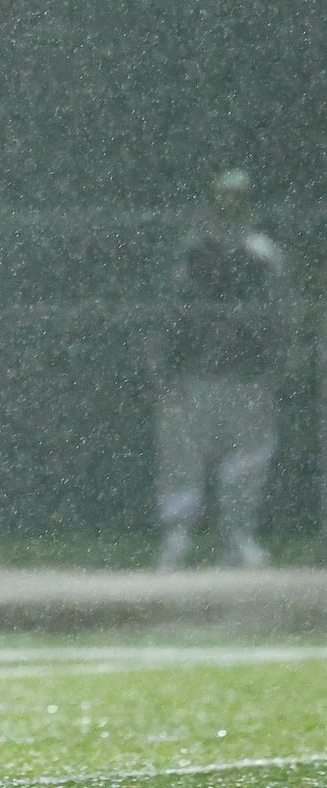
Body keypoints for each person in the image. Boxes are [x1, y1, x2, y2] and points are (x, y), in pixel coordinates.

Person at [153, 168, 290, 570]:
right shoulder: (189, 252)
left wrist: (280, 357)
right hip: (192, 371)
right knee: (181, 458)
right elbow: (167, 313)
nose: (229, 203)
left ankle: (238, 536)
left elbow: (281, 312)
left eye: (238, 196)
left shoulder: (264, 255)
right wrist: (162, 363)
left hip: (247, 372)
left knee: (248, 458)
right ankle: (177, 536)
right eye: (223, 195)